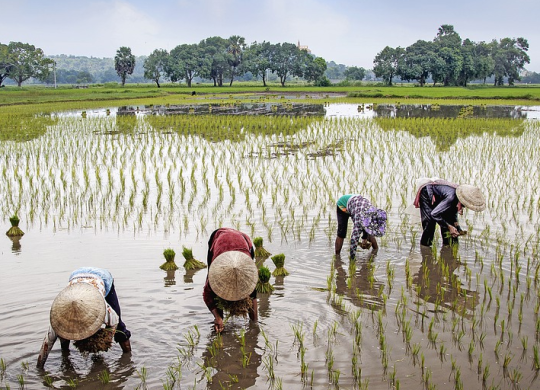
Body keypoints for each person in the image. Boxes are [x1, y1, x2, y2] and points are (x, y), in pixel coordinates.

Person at [37, 267, 132, 368]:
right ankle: (65, 356)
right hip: (75, 277)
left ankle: (128, 360)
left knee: (120, 329)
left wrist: (104, 340)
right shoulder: (57, 320)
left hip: (102, 277)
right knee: (63, 334)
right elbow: (46, 346)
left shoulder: (102, 308)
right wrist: (40, 367)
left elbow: (115, 322)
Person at [203, 228, 259, 333]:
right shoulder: (216, 272)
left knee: (249, 289)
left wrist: (254, 324)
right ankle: (220, 322)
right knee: (215, 291)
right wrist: (218, 317)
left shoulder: (248, 273)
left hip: (243, 240)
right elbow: (207, 295)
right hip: (219, 238)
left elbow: (253, 295)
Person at [413, 179, 486, 247]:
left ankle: (448, 247)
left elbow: (453, 213)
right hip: (427, 192)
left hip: (442, 197)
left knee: (449, 222)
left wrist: (457, 227)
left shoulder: (457, 198)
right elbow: (434, 214)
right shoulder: (452, 197)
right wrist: (449, 226)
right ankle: (425, 249)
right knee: (430, 224)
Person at [334, 194, 387, 259]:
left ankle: (375, 251)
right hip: (342, 206)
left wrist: (364, 238)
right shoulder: (359, 220)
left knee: (370, 231)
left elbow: (368, 227)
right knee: (341, 233)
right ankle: (337, 257)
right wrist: (352, 261)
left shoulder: (373, 212)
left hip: (357, 207)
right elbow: (354, 239)